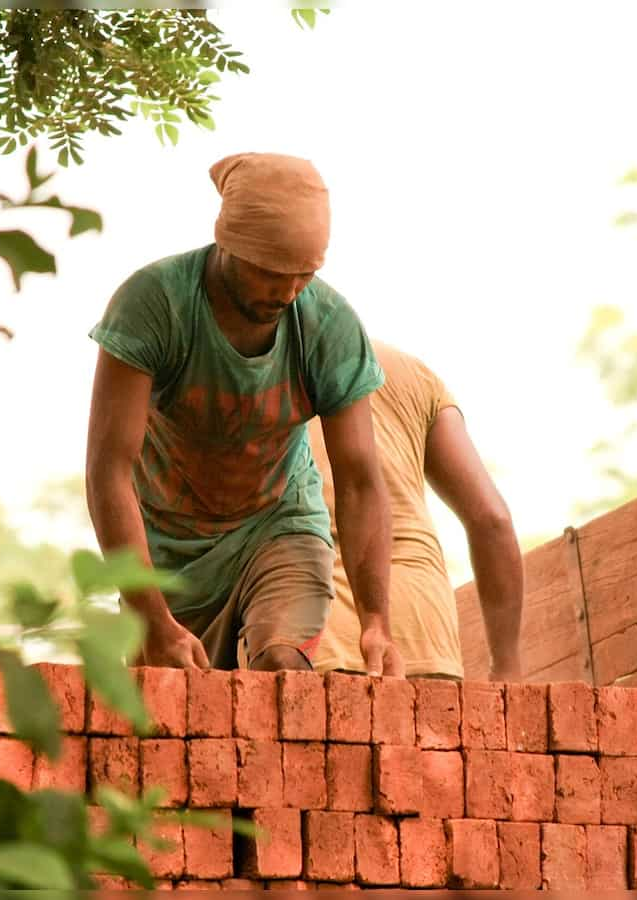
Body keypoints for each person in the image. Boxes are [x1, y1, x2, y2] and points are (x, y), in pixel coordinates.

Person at [85, 152, 401, 675]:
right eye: (269, 273)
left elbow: (362, 479)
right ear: (228, 244)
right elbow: (108, 468)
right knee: (172, 704)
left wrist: (376, 621)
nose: (287, 290)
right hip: (169, 548)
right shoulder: (153, 304)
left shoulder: (328, 325)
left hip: (279, 523)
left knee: (282, 663)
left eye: (303, 274)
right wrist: (153, 617)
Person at [308, 341, 523, 680]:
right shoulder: (416, 375)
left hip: (319, 626)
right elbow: (491, 520)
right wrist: (507, 668)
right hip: (424, 632)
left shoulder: (275, 361)